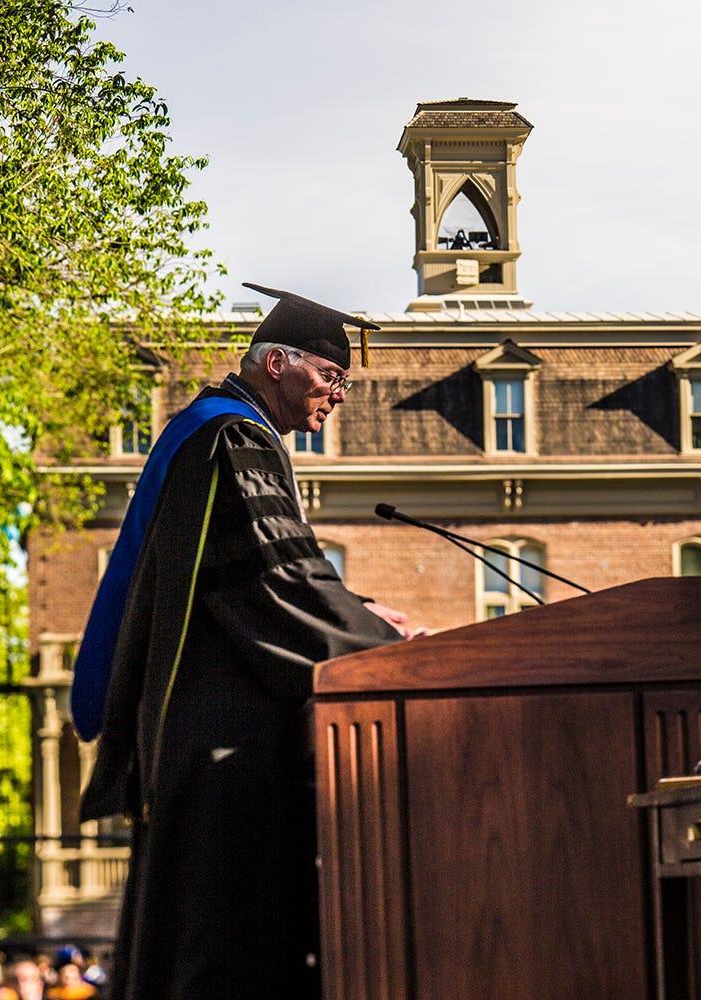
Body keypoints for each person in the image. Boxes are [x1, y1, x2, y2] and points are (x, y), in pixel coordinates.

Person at [73, 283, 422, 999]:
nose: (340, 395)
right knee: (225, 948)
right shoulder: (232, 437)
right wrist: (375, 642)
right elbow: (271, 577)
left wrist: (357, 608)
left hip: (204, 734)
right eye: (331, 376)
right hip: (224, 746)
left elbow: (261, 572)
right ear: (276, 365)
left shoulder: (215, 431)